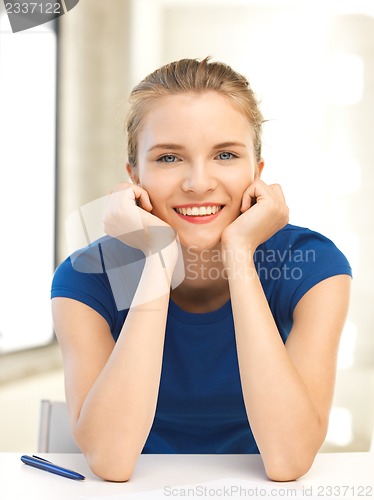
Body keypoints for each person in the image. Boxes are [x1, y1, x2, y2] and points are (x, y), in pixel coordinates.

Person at [51, 57, 352, 483]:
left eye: (225, 155)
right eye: (169, 158)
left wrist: (240, 252)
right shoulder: (85, 277)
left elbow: (288, 460)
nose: (197, 182)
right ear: (134, 176)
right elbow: (110, 460)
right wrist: (156, 259)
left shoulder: (314, 267)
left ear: (257, 173)